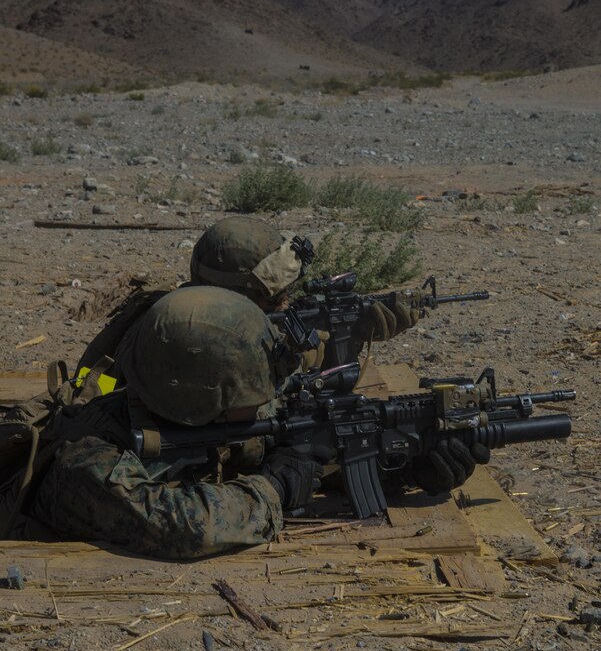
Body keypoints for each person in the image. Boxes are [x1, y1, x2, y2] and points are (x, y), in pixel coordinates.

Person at [10, 287, 323, 559]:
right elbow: (185, 527)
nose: (262, 402)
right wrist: (276, 487)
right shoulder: (90, 464)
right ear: (201, 402)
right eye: (251, 395)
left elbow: (233, 441)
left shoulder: (168, 411)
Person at [74, 215, 419, 391]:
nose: (285, 305)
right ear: (228, 294)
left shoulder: (198, 310)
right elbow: (265, 385)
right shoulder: (186, 337)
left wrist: (353, 329)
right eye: (270, 297)